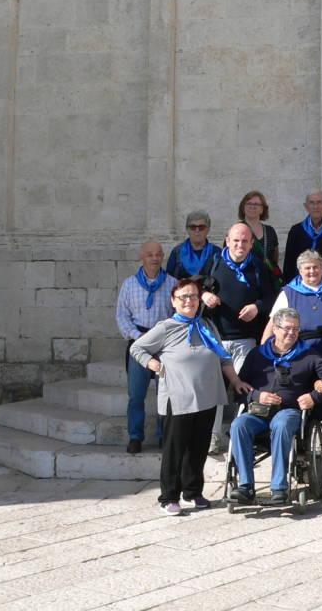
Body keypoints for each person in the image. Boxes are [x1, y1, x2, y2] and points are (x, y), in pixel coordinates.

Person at [130, 278, 249, 515]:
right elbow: (137, 348)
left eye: (193, 296)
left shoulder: (207, 325)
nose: (189, 301)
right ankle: (169, 497)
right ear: (174, 301)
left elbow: (224, 357)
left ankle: (192, 492)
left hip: (207, 396)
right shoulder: (166, 327)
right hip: (179, 396)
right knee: (175, 449)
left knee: (198, 447)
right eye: (183, 296)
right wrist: (152, 363)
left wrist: (236, 381)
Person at [228, 308, 322, 504]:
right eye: (287, 328)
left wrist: (314, 396)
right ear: (275, 328)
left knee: (281, 424)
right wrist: (256, 395)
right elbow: (239, 387)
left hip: (289, 411)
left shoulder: (309, 354)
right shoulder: (257, 354)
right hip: (258, 412)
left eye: (296, 329)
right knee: (239, 425)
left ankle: (279, 487)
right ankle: (245, 486)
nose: (291, 333)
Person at [200, 223, 279, 455]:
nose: (240, 245)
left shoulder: (257, 266)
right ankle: (212, 438)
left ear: (252, 244)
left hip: (246, 340)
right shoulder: (215, 262)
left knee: (244, 389)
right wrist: (204, 294)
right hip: (217, 338)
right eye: (236, 240)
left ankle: (241, 436)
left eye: (245, 241)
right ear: (227, 241)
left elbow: (272, 296)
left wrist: (257, 306)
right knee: (215, 390)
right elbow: (195, 284)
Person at [115, 240, 177, 454]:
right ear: (142, 257)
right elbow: (122, 316)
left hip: (163, 343)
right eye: (150, 255)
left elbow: (176, 316)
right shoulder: (129, 284)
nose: (154, 258)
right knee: (136, 393)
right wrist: (137, 337)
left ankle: (163, 434)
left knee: (165, 392)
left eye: (158, 254)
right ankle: (135, 435)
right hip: (138, 342)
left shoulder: (171, 284)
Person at [264, 250, 322, 369]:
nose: (312, 271)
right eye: (307, 268)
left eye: (316, 267)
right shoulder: (288, 292)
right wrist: (264, 351)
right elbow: (273, 323)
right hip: (302, 354)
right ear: (300, 271)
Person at [282, 191, 322, 282]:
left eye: (319, 202)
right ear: (306, 206)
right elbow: (289, 263)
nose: (315, 207)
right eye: (311, 203)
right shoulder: (296, 231)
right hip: (301, 283)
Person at [238, 191, 281, 281]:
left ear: (262, 209)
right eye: (249, 203)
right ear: (243, 208)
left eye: (256, 204)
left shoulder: (270, 231)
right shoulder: (236, 230)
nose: (252, 206)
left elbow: (274, 257)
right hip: (244, 279)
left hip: (268, 280)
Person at [166, 210, 221, 279]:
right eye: (193, 227)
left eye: (201, 227)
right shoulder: (177, 252)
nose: (197, 231)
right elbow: (169, 278)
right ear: (187, 229)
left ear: (208, 230)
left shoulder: (216, 252)